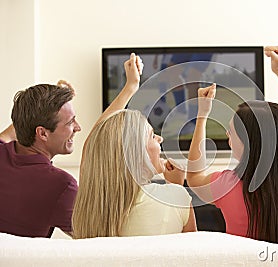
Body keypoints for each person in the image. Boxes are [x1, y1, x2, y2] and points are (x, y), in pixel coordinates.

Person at [186, 46, 278, 244]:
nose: (227, 134)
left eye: (231, 132)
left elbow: (193, 177)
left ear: (248, 144)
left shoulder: (227, 186)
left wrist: (201, 116)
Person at [72, 53, 197, 239]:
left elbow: (94, 143)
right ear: (137, 151)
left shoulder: (91, 201)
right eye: (152, 136)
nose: (160, 139)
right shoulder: (176, 198)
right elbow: (191, 254)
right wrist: (176, 187)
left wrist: (130, 88)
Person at [0, 81, 81, 238]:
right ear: (42, 133)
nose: (78, 127)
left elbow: (16, 128)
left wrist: (47, 105)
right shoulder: (62, 185)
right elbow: (95, 241)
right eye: (71, 122)